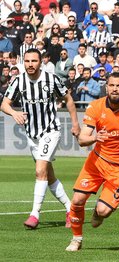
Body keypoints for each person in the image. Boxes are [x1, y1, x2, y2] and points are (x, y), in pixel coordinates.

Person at [65, 72, 119, 251]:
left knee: (103, 211)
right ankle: (76, 239)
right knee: (76, 200)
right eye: (112, 85)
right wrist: (95, 137)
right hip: (97, 162)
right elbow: (83, 139)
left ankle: (98, 212)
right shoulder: (95, 107)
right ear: (106, 87)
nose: (115, 89)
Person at [0, 48, 80, 229]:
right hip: (32, 135)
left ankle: (34, 215)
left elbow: (68, 99)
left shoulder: (51, 79)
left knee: (39, 170)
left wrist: (75, 124)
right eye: (27, 61)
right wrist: (14, 112)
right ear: (23, 62)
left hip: (50, 131)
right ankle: (71, 209)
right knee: (48, 176)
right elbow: (4, 104)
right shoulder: (19, 81)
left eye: (34, 61)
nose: (30, 64)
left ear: (40, 62)